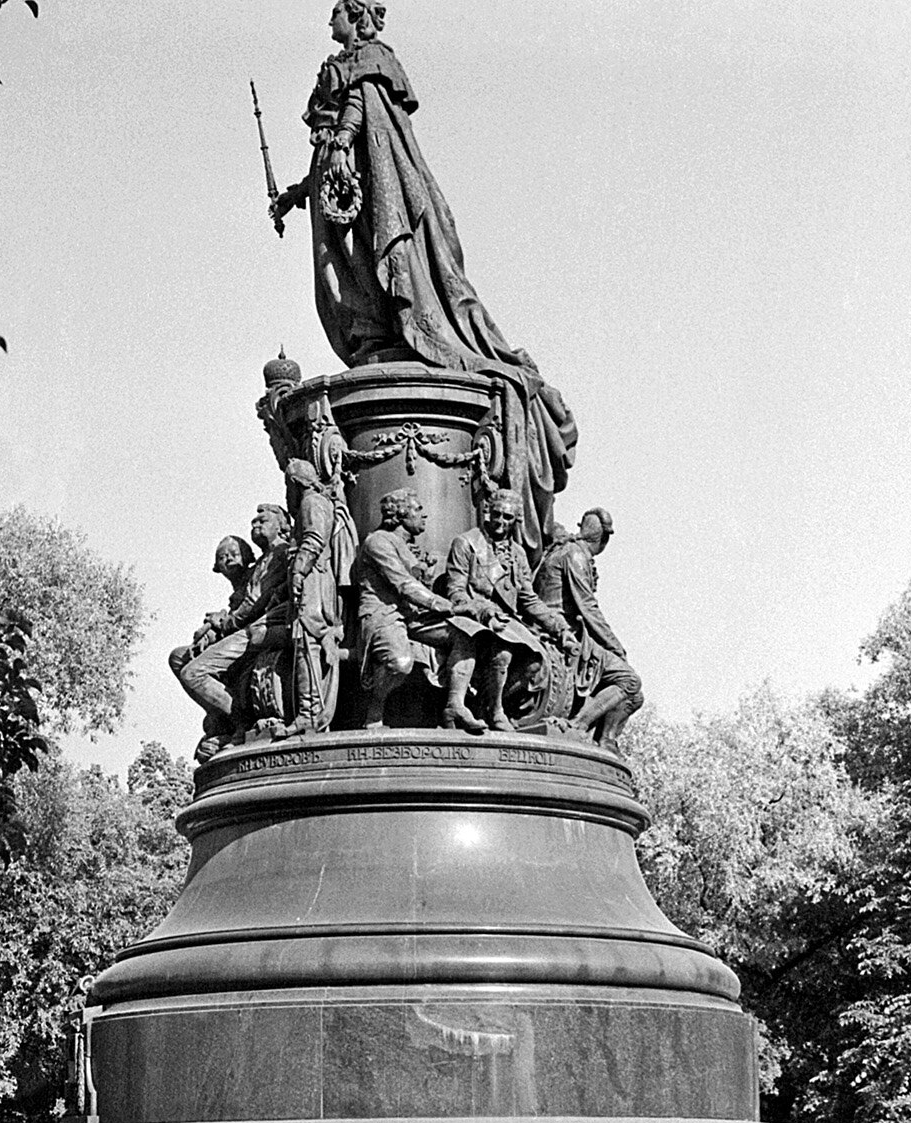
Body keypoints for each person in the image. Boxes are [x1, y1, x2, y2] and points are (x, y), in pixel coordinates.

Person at [270, 0, 577, 560]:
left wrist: (342, 142)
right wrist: (298, 192)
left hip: (368, 185)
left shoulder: (368, 61)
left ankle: (405, 323)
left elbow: (360, 110)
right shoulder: (350, 69)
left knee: (382, 258)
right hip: (349, 189)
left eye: (336, 13)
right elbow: (339, 144)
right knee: (354, 271)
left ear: (355, 16)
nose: (330, 22)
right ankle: (382, 330)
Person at [444, 490, 578, 733]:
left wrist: (560, 628)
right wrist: (484, 611)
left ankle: (488, 701)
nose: (500, 522)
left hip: (506, 620)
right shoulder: (466, 543)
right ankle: (495, 710)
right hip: (472, 617)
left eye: (507, 517)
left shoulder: (517, 553)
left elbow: (528, 598)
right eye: (496, 514)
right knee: (503, 652)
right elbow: (456, 592)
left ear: (515, 520)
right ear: (488, 512)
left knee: (536, 661)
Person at [354, 488, 483, 732]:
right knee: (400, 662)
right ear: (401, 514)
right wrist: (447, 606)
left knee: (465, 636)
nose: (424, 516)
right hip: (384, 613)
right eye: (418, 510)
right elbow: (403, 584)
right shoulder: (377, 542)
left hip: (413, 615)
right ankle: (374, 709)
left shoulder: (406, 545)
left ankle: (455, 706)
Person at [170, 507, 290, 761]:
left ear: (281, 526)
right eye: (253, 521)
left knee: (193, 673)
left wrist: (222, 625)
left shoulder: (280, 554)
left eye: (263, 520)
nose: (255, 524)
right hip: (245, 628)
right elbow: (242, 602)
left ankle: (241, 722)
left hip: (260, 629)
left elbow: (253, 605)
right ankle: (221, 720)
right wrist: (213, 627)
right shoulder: (262, 562)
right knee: (179, 657)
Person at [534, 507, 644, 751]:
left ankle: (606, 742)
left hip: (574, 630)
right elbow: (588, 607)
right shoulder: (574, 555)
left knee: (635, 697)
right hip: (560, 632)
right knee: (629, 681)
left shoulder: (567, 550)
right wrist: (615, 646)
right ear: (603, 539)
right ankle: (577, 726)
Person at [275, 457, 358, 738]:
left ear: (295, 483)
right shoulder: (317, 502)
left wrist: (298, 571)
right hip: (316, 579)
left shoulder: (311, 503)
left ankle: (309, 714)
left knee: (307, 643)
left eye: (288, 485)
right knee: (306, 644)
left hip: (314, 581)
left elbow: (314, 539)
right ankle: (309, 712)